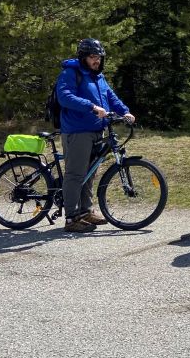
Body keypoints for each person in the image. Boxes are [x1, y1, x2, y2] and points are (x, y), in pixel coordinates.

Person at [56, 38, 135, 233]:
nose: (96, 60)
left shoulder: (98, 76)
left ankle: (85, 211)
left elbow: (110, 97)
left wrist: (125, 111)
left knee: (90, 173)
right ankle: (71, 218)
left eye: (98, 57)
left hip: (96, 130)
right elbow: (65, 97)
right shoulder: (70, 73)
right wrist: (91, 107)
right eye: (92, 57)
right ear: (83, 57)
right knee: (75, 174)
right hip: (77, 130)